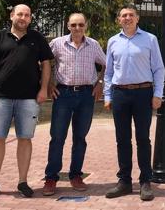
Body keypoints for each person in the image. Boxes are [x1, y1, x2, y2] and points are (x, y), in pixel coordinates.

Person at [0, 4, 54, 199]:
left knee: (25, 138)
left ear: (30, 18)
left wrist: (43, 89)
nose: (23, 18)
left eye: (27, 15)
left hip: (28, 98)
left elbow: (46, 64)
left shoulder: (37, 38)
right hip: (0, 97)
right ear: (12, 15)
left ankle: (23, 181)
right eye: (20, 14)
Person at [103, 5, 164, 201]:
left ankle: (145, 181)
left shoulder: (150, 39)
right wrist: (107, 96)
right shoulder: (113, 41)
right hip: (120, 94)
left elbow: (158, 69)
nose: (127, 18)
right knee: (122, 139)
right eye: (123, 15)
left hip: (143, 93)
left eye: (131, 15)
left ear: (137, 18)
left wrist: (158, 94)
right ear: (119, 20)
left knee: (143, 139)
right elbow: (109, 73)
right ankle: (124, 182)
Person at [42, 13, 106, 196]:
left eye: (80, 25)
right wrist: (48, 84)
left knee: (80, 138)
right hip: (63, 94)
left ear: (85, 25)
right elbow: (43, 62)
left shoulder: (93, 45)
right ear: (68, 26)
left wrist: (100, 84)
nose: (77, 28)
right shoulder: (57, 43)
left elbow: (108, 64)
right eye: (73, 25)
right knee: (57, 137)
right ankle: (51, 177)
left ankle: (76, 175)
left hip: (86, 95)